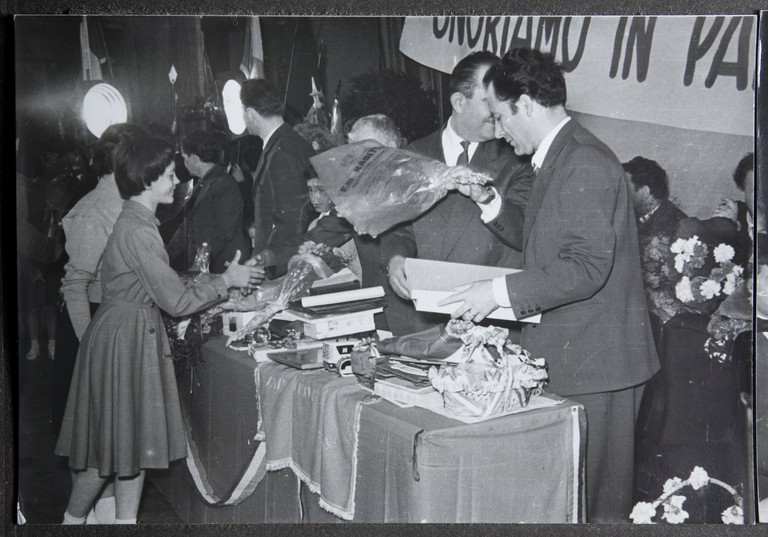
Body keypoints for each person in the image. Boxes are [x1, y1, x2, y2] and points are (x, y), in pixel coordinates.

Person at [438, 47, 659, 522]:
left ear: (527, 105)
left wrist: (495, 294)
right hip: (579, 358)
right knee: (572, 501)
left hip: (598, 368)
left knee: (597, 506)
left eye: (500, 116)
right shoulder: (558, 156)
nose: (497, 130)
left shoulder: (584, 161)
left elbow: (584, 267)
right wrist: (489, 200)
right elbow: (544, 242)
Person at [54, 136, 264, 525]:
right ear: (148, 181)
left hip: (130, 333)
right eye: (168, 174)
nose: (175, 180)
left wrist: (220, 280)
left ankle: (118, 523)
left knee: (134, 452)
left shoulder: (139, 221)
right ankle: (71, 522)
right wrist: (226, 279)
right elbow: (176, 301)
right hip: (125, 337)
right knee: (108, 455)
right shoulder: (137, 229)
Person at [383, 51, 534, 334]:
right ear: (459, 102)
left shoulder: (519, 158)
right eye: (490, 100)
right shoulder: (414, 154)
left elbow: (525, 233)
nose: (500, 108)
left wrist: (488, 198)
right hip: (426, 321)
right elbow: (399, 228)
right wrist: (395, 259)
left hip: (492, 324)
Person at [302, 114, 412, 333]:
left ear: (391, 147)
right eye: (352, 149)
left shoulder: (418, 185)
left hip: (415, 313)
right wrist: (267, 261)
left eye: (365, 147)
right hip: (375, 311)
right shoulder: (354, 195)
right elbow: (320, 235)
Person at [240, 78, 315, 279]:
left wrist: (264, 269)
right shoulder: (285, 142)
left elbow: (289, 222)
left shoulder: (282, 152)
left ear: (250, 113)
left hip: (282, 267)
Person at [167, 129, 251, 274]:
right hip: (210, 265)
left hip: (224, 266)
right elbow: (186, 228)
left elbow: (224, 232)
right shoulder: (204, 183)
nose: (183, 163)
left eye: (184, 157)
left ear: (194, 158)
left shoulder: (224, 184)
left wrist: (199, 263)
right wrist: (165, 258)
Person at [623, 156, 688, 343]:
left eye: (626, 188)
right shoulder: (636, 216)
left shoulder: (674, 225)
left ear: (644, 192)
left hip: (664, 319)